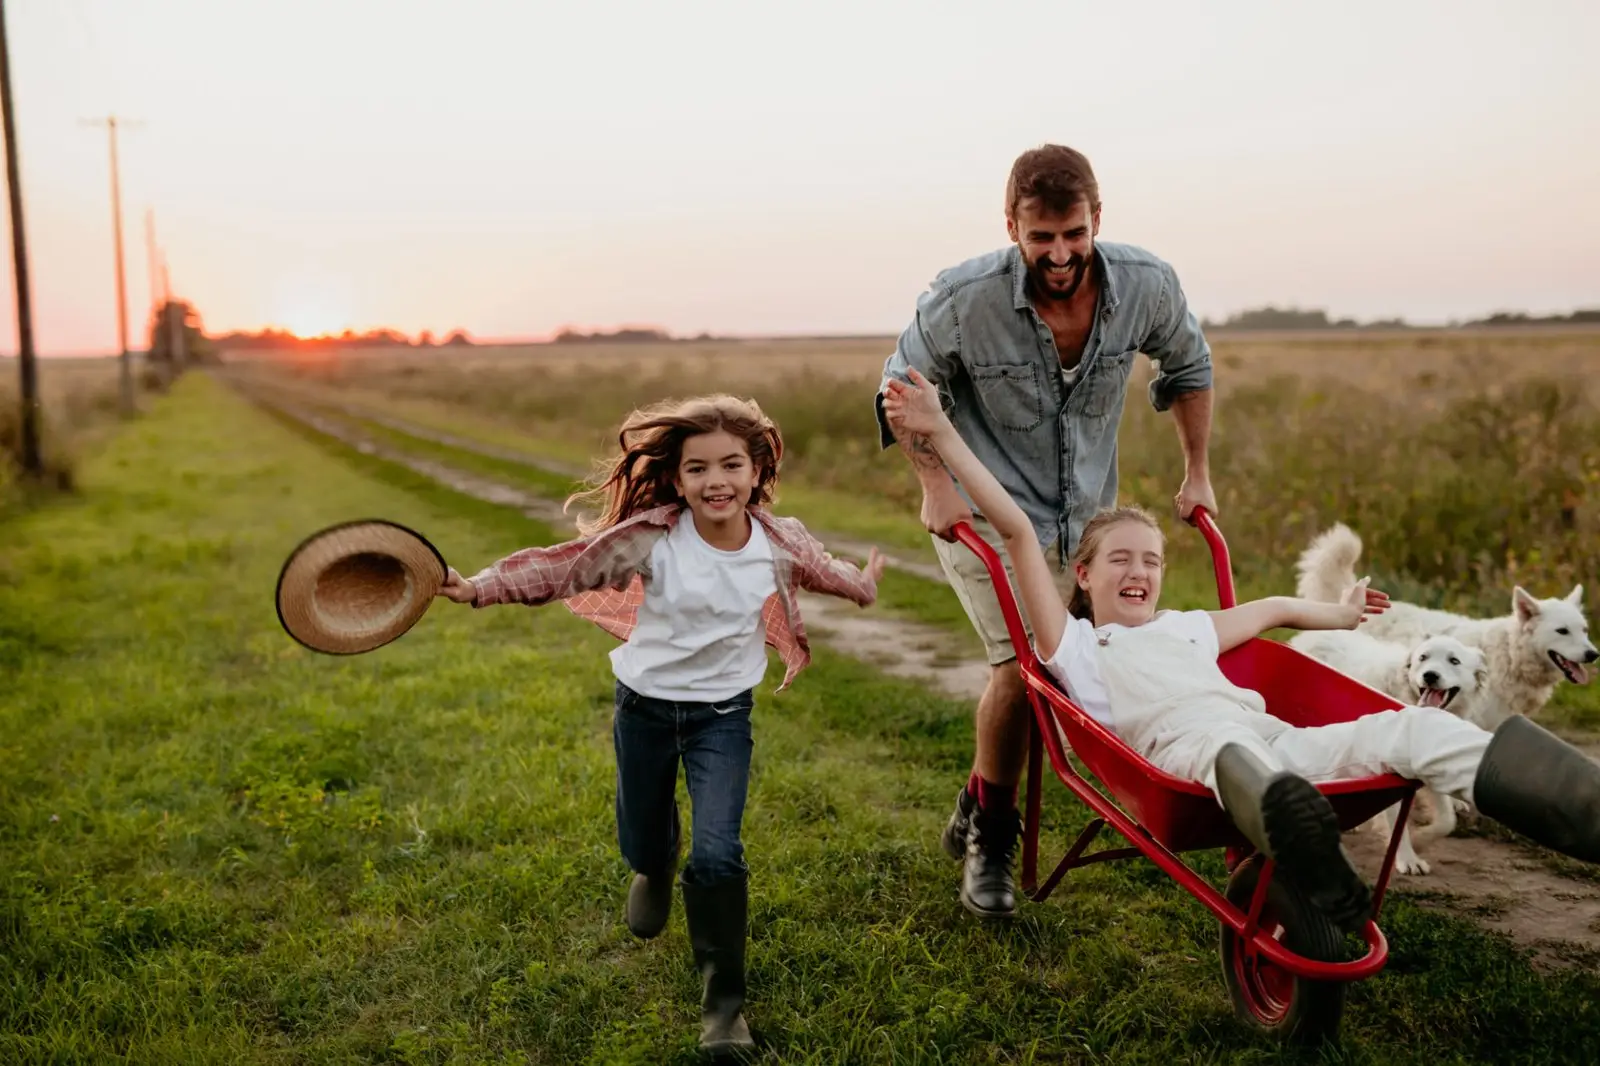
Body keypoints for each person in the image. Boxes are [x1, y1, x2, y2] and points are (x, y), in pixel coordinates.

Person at [882, 367, 1600, 934]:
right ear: (1084, 574)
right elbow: (1010, 527)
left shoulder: (1187, 626)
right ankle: (1308, 853)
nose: (1138, 572)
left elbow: (1279, 609)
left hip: (1275, 747)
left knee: (1410, 726)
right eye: (1120, 561)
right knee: (1228, 742)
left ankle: (1580, 804)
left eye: (1151, 561)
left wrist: (1343, 614)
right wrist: (942, 435)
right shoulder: (1071, 643)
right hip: (1192, 758)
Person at [436, 393, 887, 1055]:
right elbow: (569, 565)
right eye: (698, 468)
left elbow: (825, 569)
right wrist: (480, 586)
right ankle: (651, 866)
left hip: (723, 718)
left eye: (732, 465)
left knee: (718, 852)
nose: (716, 481)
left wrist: (862, 585)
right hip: (644, 707)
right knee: (645, 832)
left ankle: (723, 1009)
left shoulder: (776, 542)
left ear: (758, 471)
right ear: (677, 479)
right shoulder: (653, 537)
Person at [875, 143, 1218, 918]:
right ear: (1012, 227)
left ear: (1097, 220)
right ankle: (992, 840)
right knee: (1024, 668)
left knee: (1083, 666)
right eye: (1041, 238)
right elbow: (899, 389)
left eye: (1074, 234)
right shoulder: (964, 297)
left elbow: (1189, 368)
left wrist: (1197, 472)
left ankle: (974, 796)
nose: (1059, 255)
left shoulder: (1147, 285)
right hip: (985, 510)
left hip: (1088, 513)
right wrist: (935, 484)